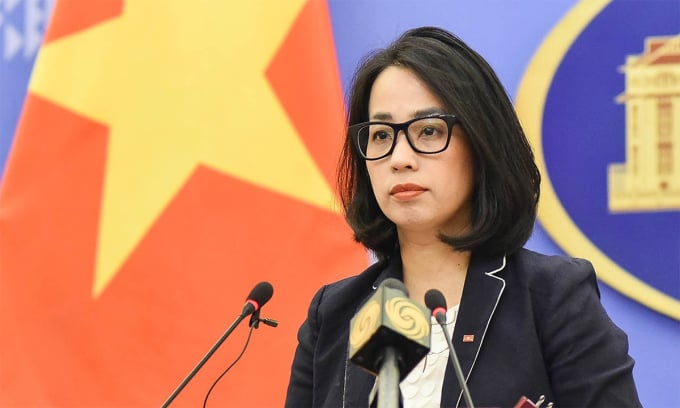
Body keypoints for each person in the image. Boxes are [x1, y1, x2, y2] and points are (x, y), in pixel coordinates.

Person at [285, 26, 641, 408]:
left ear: (481, 142)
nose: (400, 159)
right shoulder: (334, 315)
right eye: (382, 135)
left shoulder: (551, 299)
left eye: (428, 130)